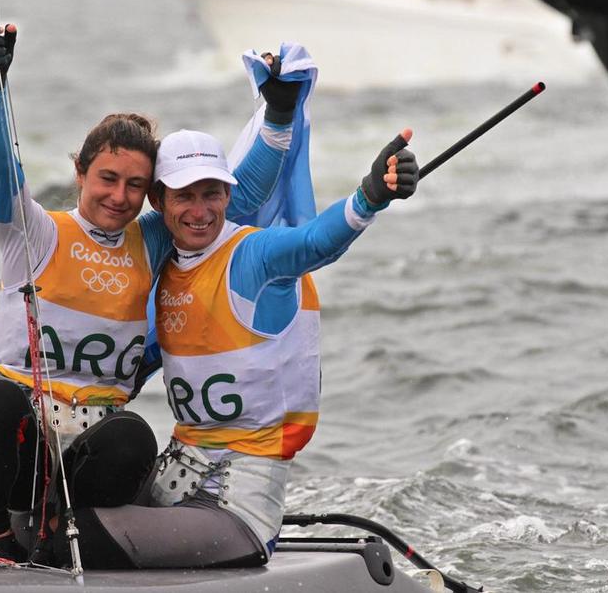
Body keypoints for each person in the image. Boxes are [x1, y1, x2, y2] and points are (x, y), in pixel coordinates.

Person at [0, 23, 305, 563]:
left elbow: (233, 199)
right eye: (107, 178)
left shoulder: (152, 238)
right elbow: (1, 173)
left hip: (93, 459)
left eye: (135, 185)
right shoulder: (35, 233)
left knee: (134, 438)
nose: (119, 197)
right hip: (27, 447)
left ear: (151, 194)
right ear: (80, 172)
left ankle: (61, 540)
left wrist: (278, 115)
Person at [32, 120, 419, 569]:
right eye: (185, 196)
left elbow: (315, 242)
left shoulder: (254, 257)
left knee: (73, 539)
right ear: (158, 202)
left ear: (228, 196)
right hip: (172, 482)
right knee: (53, 512)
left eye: (212, 193)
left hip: (235, 510)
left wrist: (370, 197)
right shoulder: (165, 269)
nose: (200, 211)